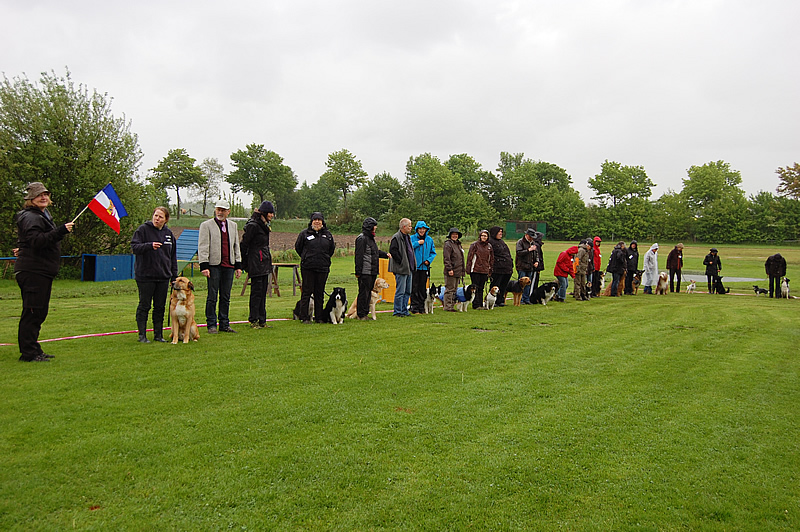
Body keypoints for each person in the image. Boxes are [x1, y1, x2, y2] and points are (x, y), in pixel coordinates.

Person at [14, 182, 75, 360]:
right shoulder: (31, 217)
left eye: (46, 194)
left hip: (41, 271)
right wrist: (60, 231)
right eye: (39, 195)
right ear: (31, 199)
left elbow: (31, 240)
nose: (43, 197)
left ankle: (33, 348)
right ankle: (29, 353)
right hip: (34, 271)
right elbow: (37, 241)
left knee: (39, 312)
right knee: (33, 312)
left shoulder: (41, 216)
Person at [131, 206, 178, 344]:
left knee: (160, 307)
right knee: (144, 305)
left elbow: (172, 257)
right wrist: (149, 246)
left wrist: (174, 276)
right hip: (145, 276)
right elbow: (134, 247)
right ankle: (142, 335)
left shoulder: (169, 234)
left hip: (163, 276)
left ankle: (158, 335)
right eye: (156, 216)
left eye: (160, 217)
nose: (157, 219)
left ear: (166, 219)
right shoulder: (142, 230)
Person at [198, 199, 243, 333]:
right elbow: (203, 246)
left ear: (228, 212)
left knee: (225, 297)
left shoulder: (233, 226)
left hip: (228, 265)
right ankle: (211, 324)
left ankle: (224, 324)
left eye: (223, 210)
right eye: (218, 210)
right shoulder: (206, 225)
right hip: (213, 265)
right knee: (212, 296)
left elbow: (236, 246)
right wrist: (204, 265)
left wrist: (238, 265)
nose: (220, 212)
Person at [294, 211, 335, 323]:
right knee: (306, 292)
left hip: (323, 268)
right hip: (308, 268)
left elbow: (331, 250)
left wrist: (325, 259)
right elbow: (298, 248)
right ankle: (304, 317)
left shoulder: (328, 235)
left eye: (319, 220)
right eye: (315, 220)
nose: (317, 222)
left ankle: (319, 317)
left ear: (322, 222)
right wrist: (306, 257)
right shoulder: (304, 234)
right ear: (311, 222)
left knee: (319, 293)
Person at [241, 201, 275, 328]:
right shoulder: (253, 226)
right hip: (255, 262)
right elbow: (244, 244)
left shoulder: (264, 225)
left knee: (263, 292)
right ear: (264, 213)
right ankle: (254, 319)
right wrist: (244, 263)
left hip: (264, 262)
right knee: (256, 292)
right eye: (270, 213)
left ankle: (262, 320)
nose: (272, 215)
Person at [354, 217, 389, 320]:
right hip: (365, 271)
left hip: (372, 270)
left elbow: (375, 252)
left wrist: (385, 254)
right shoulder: (362, 239)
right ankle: (361, 314)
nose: (376, 228)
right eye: (374, 226)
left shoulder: (370, 239)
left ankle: (365, 313)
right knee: (363, 292)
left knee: (368, 292)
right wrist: (358, 271)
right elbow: (359, 256)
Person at [389, 218, 416, 317]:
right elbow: (393, 250)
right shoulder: (396, 237)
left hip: (409, 268)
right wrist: (401, 261)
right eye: (409, 226)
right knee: (400, 291)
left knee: (408, 291)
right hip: (401, 269)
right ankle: (398, 311)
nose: (411, 228)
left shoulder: (408, 237)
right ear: (404, 227)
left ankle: (404, 310)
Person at [410, 220, 436, 314]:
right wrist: (418, 243)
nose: (422, 230)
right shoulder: (412, 238)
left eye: (423, 229)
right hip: (415, 267)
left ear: (426, 230)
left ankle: (422, 307)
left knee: (422, 288)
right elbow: (408, 248)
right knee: (414, 288)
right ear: (417, 230)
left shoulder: (429, 240)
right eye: (420, 229)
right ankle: (414, 307)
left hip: (424, 268)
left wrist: (428, 260)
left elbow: (433, 252)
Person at [466, 229, 494, 309]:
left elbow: (491, 259)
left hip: (485, 270)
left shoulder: (489, 246)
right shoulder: (474, 245)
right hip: (475, 269)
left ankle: (481, 304)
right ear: (480, 236)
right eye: (482, 235)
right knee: (475, 287)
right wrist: (468, 268)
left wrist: (490, 269)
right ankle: (476, 304)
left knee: (481, 287)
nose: (484, 237)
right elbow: (470, 257)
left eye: (485, 236)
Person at [488, 226, 512, 307]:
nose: (501, 233)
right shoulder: (490, 242)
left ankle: (500, 300)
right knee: (495, 285)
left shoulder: (502, 242)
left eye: (501, 232)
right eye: (499, 232)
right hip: (497, 268)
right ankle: (493, 301)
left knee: (503, 285)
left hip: (506, 268)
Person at [442, 227, 465, 312]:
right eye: (453, 234)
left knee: (454, 289)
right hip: (451, 270)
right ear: (450, 235)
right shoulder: (448, 244)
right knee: (450, 289)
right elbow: (446, 258)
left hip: (458, 270)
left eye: (456, 234)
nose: (455, 236)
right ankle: (448, 306)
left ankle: (451, 305)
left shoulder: (458, 244)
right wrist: (449, 269)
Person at [515, 229, 540, 304]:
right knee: (521, 284)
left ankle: (526, 299)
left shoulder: (533, 243)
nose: (532, 238)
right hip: (522, 266)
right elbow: (519, 253)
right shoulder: (520, 242)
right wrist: (529, 250)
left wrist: (536, 261)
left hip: (530, 267)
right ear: (526, 235)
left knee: (528, 283)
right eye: (530, 237)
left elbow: (536, 253)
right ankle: (521, 299)